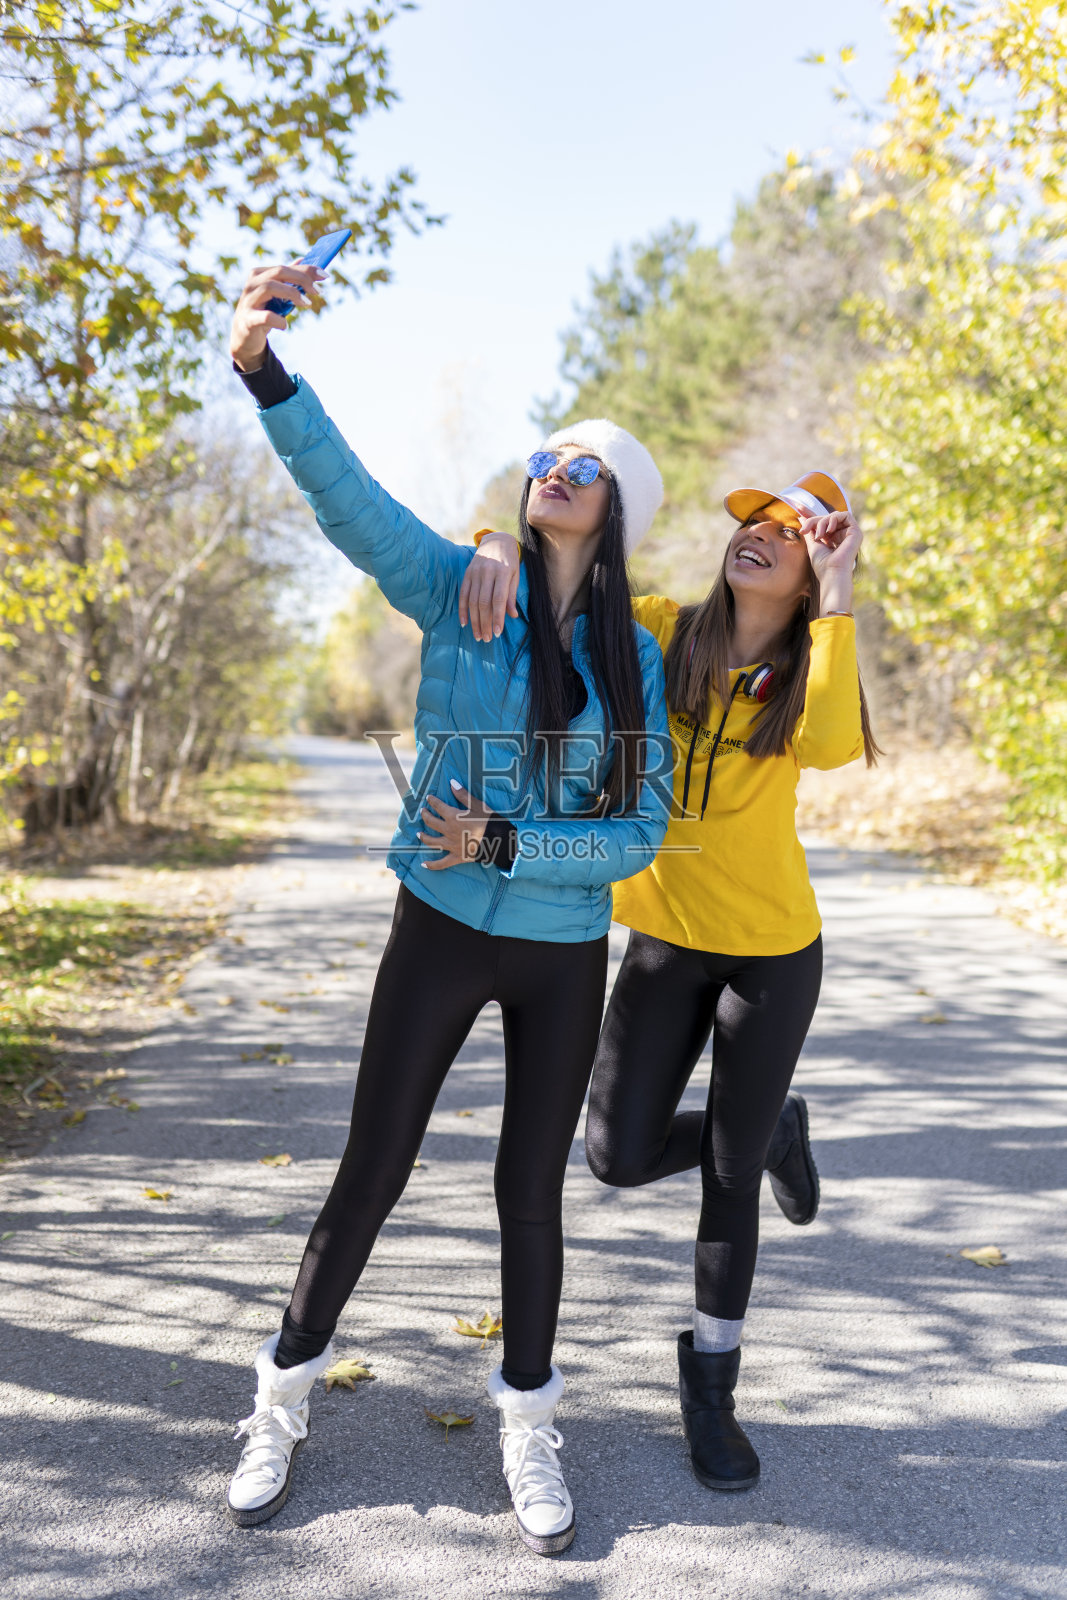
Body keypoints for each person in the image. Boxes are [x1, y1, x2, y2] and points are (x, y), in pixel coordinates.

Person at [223, 259, 672, 1554]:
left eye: (578, 468)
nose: (551, 470)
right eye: (543, 455)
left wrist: (507, 836)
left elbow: (634, 839)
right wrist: (265, 375)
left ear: (612, 511)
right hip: (437, 928)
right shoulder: (461, 588)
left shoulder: (633, 659)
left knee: (527, 1192)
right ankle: (280, 1400)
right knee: (371, 1168)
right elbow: (346, 504)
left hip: (558, 954)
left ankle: (527, 1423)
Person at [463, 469, 879, 1492]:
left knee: (726, 1178)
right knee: (612, 1154)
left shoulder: (808, 664)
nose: (758, 535)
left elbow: (829, 744)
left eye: (787, 533)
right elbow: (556, 587)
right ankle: (774, 1128)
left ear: (807, 565)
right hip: (660, 940)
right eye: (750, 522)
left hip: (772, 953)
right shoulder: (656, 628)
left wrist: (838, 592)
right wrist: (494, 537)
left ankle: (710, 1388)